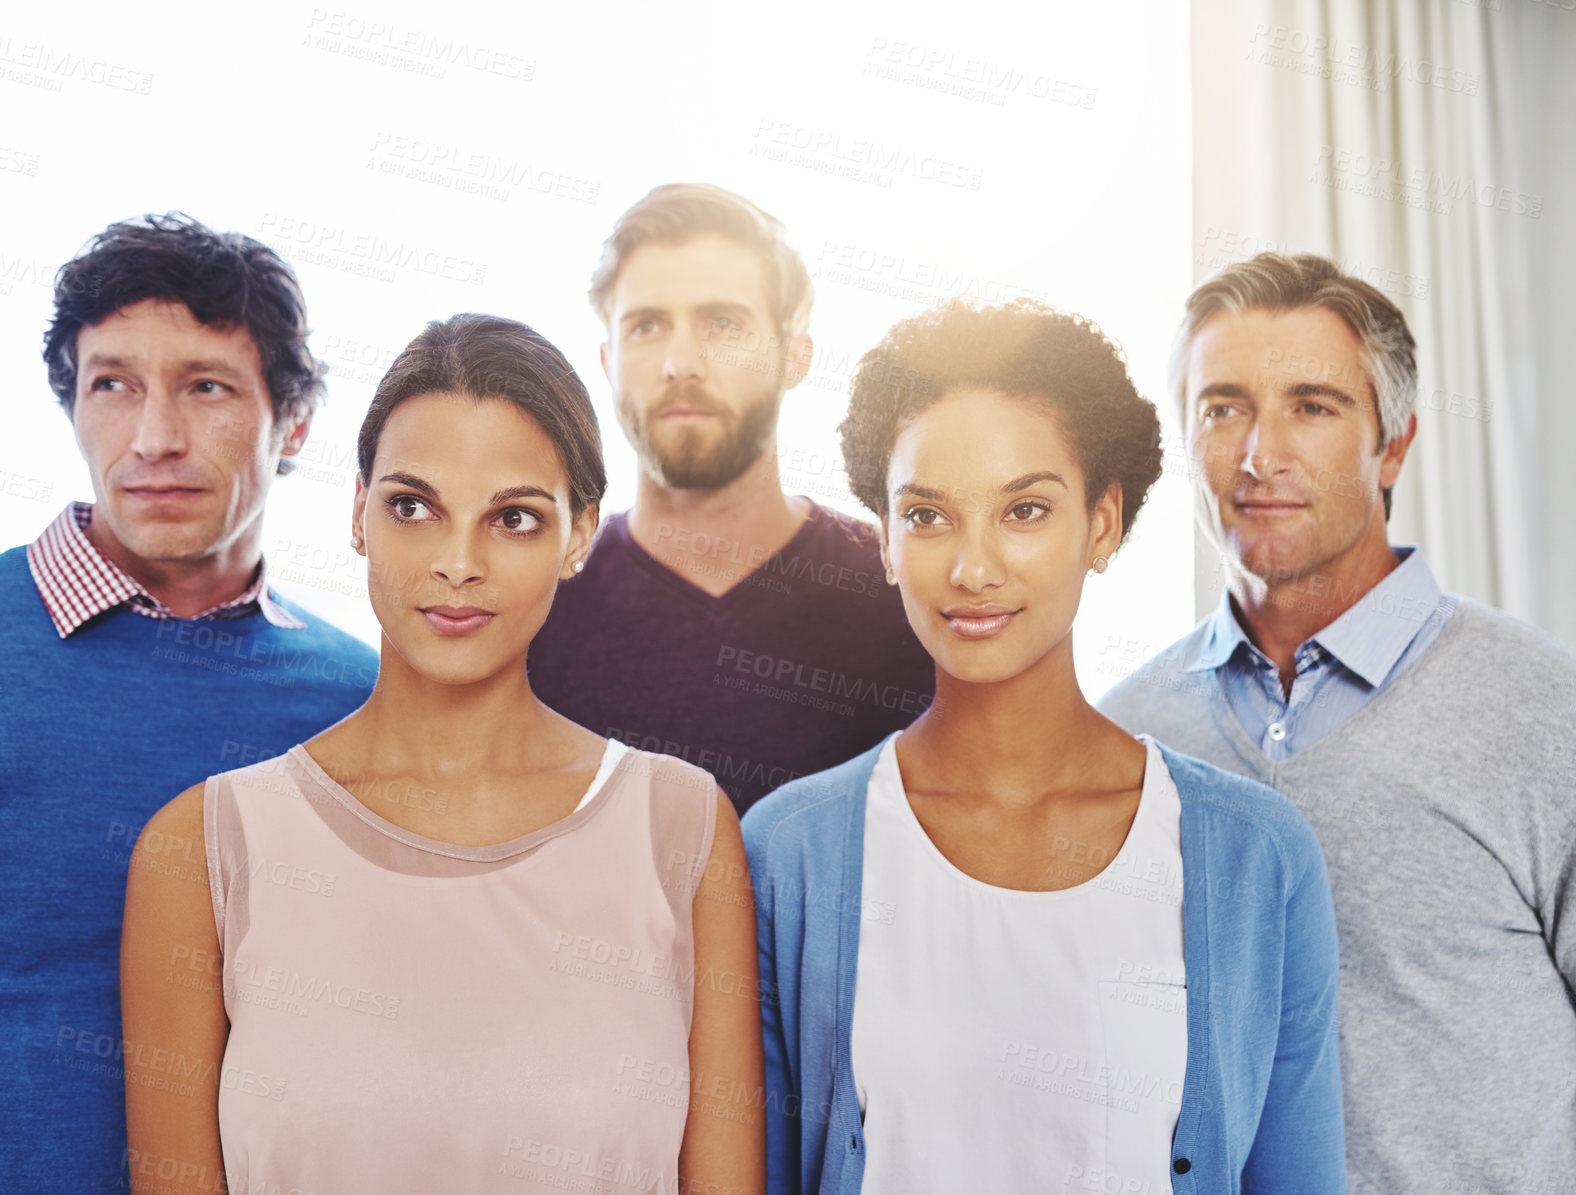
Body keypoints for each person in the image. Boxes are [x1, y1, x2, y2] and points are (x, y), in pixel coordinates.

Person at [121, 314, 763, 1194]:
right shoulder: (203, 849)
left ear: (579, 534)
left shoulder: (681, 828)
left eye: (514, 518)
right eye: (413, 507)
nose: (457, 562)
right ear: (357, 513)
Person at [743, 298, 1346, 1194]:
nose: (973, 568)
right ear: (884, 539)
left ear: (1102, 525)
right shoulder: (790, 850)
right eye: (927, 515)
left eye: (1024, 509)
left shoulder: (1256, 856)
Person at [0, 213, 377, 1192]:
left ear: (294, 422)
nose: (155, 438)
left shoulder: (360, 702)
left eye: (205, 387)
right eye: (111, 385)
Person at [1098, 252, 1576, 1194]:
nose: (1258, 454)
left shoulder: (1546, 712)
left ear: (1393, 443)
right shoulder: (1126, 737)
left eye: (1312, 406)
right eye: (1222, 406)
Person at [527, 183, 935, 815]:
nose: (681, 362)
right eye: (647, 326)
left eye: (723, 323)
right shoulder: (530, 604)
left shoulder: (908, 594)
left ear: (795, 355)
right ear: (608, 360)